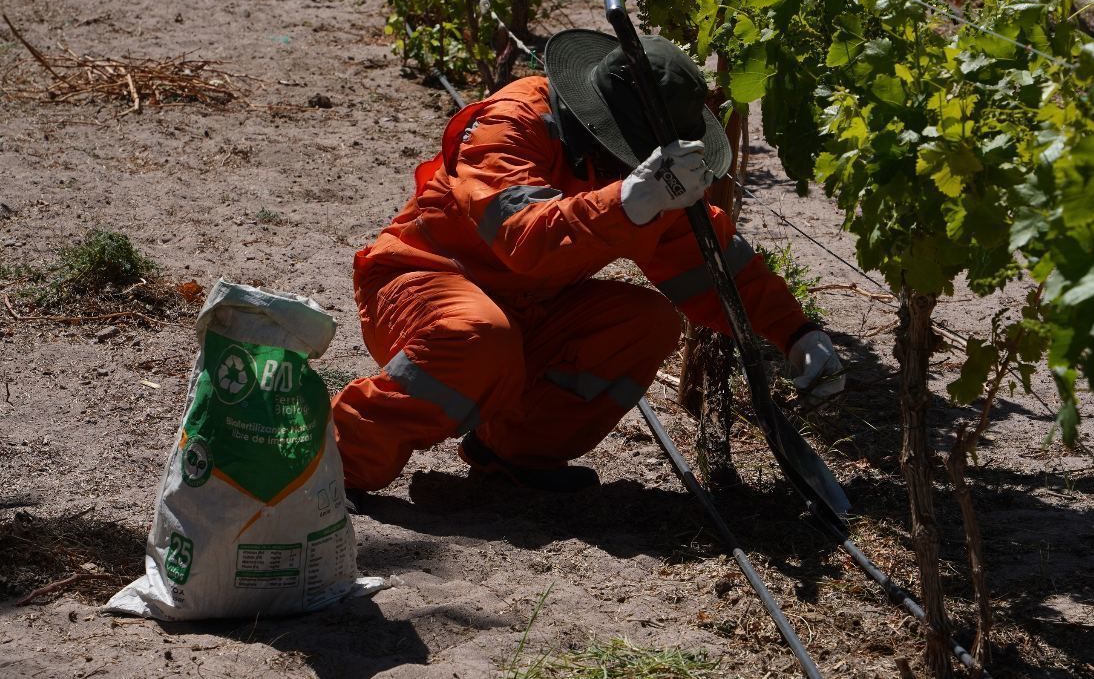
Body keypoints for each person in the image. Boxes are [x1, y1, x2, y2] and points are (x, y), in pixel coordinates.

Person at [331, 29, 844, 498]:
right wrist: (625, 202)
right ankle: (336, 461)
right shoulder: (511, 123)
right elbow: (523, 237)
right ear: (599, 123)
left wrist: (796, 331)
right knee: (478, 334)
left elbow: (711, 263)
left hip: (531, 304)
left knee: (644, 324)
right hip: (425, 280)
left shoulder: (636, 175)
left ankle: (513, 453)